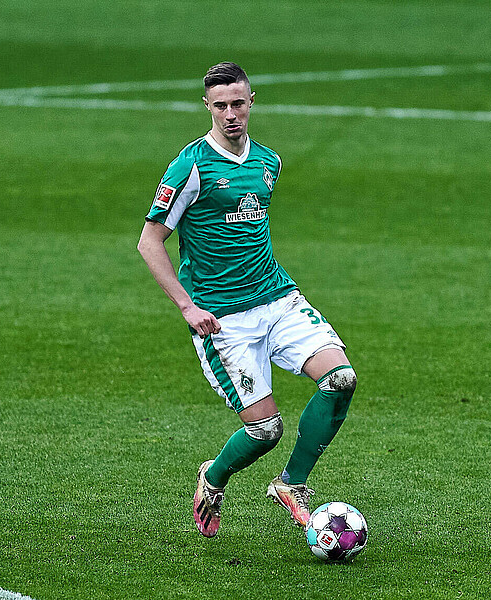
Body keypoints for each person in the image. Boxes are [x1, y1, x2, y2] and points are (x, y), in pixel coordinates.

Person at [137, 62, 357, 538]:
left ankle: (291, 484)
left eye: (238, 103)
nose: (231, 114)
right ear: (207, 107)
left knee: (340, 378)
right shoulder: (191, 165)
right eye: (221, 106)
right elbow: (149, 241)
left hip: (276, 298)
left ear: (252, 101)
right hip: (223, 320)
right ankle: (213, 478)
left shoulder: (268, 162)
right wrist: (187, 306)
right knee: (266, 432)